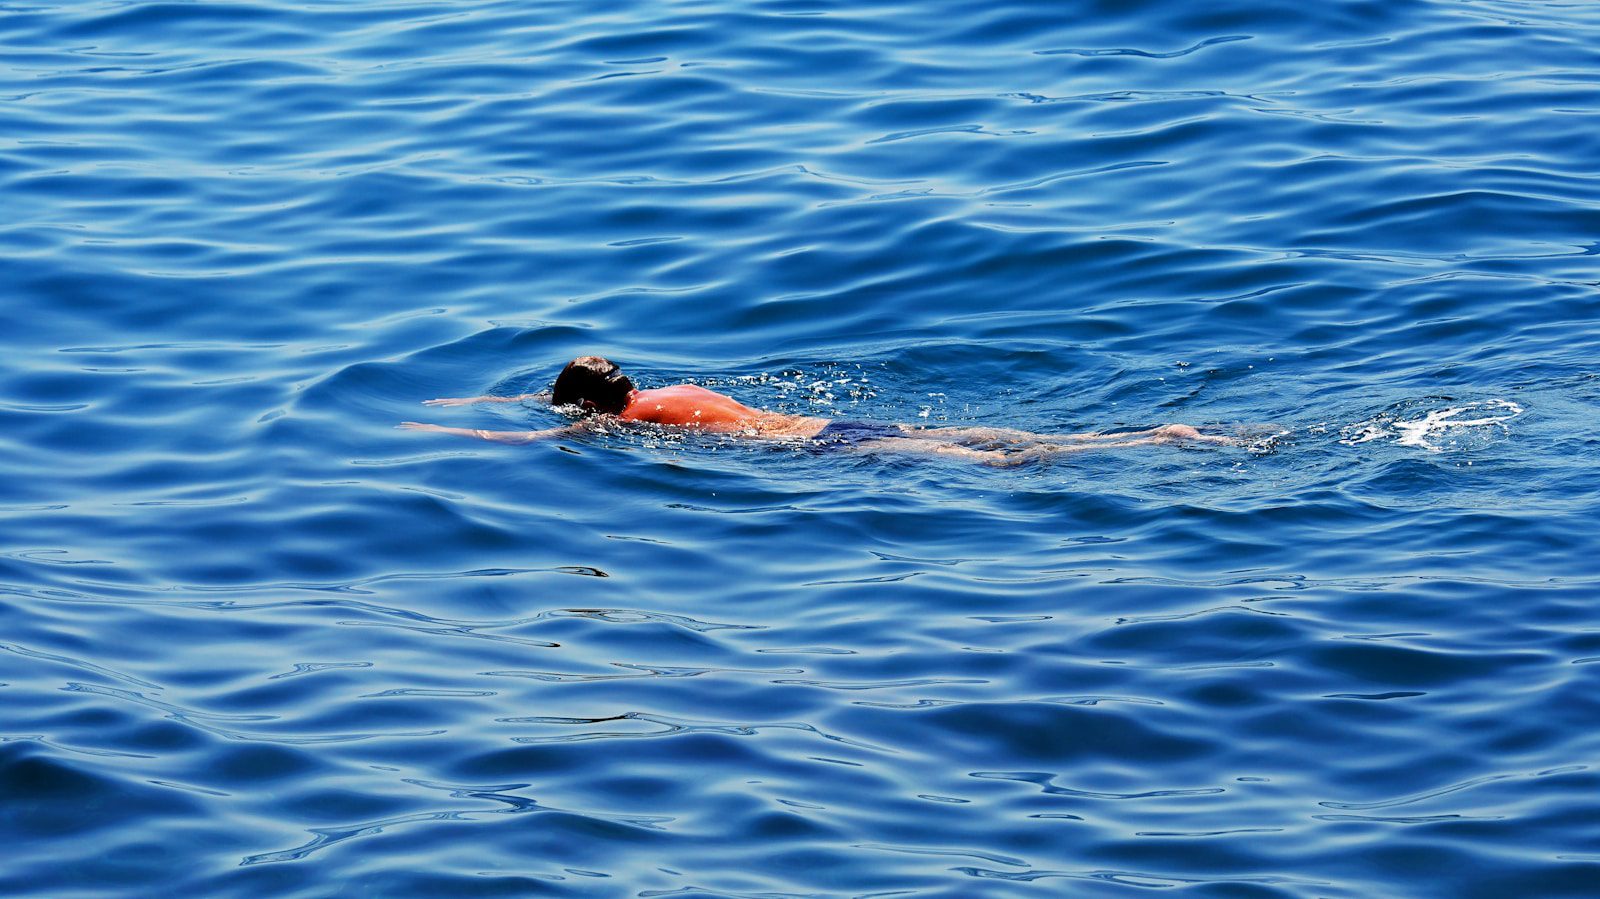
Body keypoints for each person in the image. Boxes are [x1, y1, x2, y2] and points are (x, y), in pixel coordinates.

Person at [399, 355, 1232, 466]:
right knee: (990, 435)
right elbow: (548, 403)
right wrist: (480, 393)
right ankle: (1157, 431)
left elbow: (524, 430)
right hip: (827, 425)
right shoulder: (663, 393)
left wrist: (449, 428)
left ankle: (1115, 451)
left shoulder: (624, 426)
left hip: (824, 451)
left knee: (996, 463)